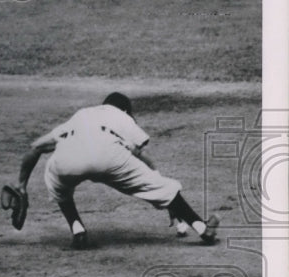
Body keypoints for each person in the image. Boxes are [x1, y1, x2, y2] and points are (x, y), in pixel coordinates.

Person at [17, 92, 219, 249]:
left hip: (68, 159)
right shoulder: (121, 117)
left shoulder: (81, 115)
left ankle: (77, 229)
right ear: (125, 110)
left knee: (55, 178)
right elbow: (139, 153)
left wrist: (22, 187)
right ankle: (202, 228)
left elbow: (35, 148)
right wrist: (162, 189)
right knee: (164, 188)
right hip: (109, 158)